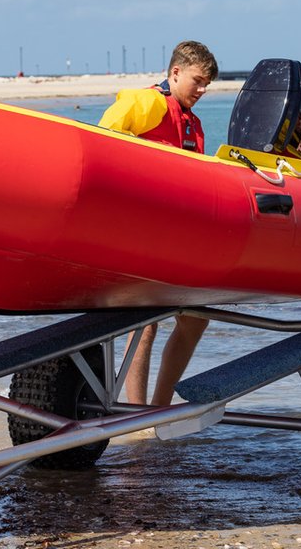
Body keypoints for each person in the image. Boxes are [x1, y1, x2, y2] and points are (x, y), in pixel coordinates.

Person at [98, 40, 218, 406]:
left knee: (195, 319)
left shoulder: (191, 123)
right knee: (145, 325)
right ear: (176, 72)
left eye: (206, 86)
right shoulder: (148, 103)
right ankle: (136, 416)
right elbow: (101, 139)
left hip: (173, 243)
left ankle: (159, 408)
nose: (200, 91)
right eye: (197, 81)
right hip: (139, 238)